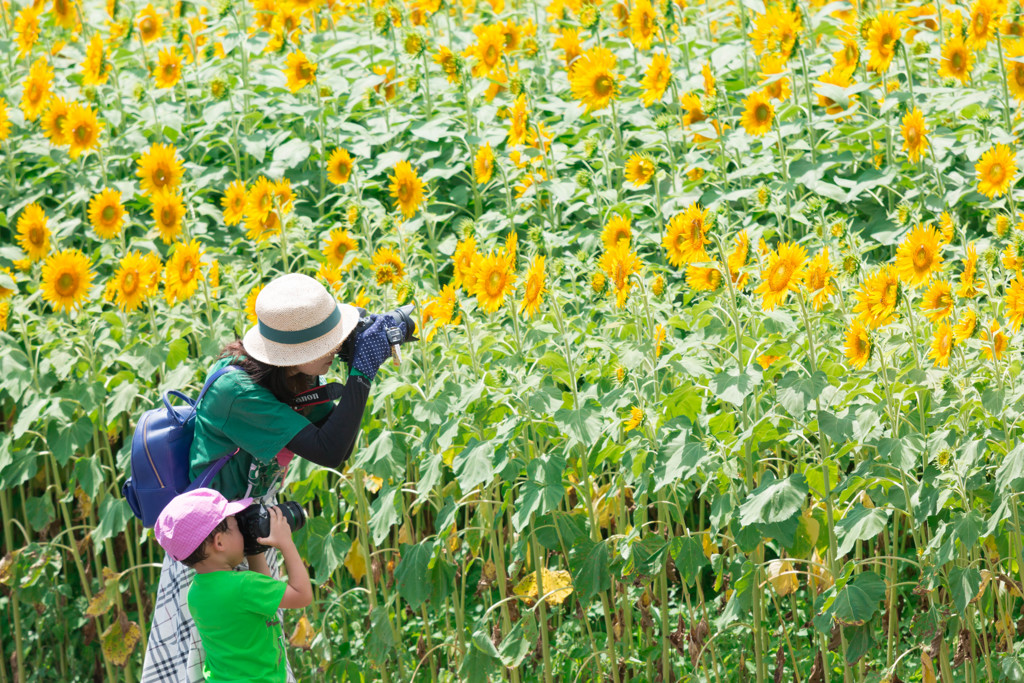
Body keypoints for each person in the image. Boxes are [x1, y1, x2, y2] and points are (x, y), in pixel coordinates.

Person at [142, 273, 406, 682]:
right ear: (287, 351)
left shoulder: (290, 376)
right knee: (199, 668)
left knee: (257, 656)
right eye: (327, 345)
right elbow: (330, 450)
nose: (334, 350)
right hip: (211, 549)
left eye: (336, 338)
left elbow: (336, 437)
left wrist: (360, 345)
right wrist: (361, 372)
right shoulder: (238, 392)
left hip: (245, 537)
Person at [153, 488, 313, 683]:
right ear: (219, 542)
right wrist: (286, 543)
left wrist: (254, 549)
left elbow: (260, 602)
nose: (242, 532)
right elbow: (302, 595)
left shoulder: (195, 593)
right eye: (237, 526)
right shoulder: (244, 585)